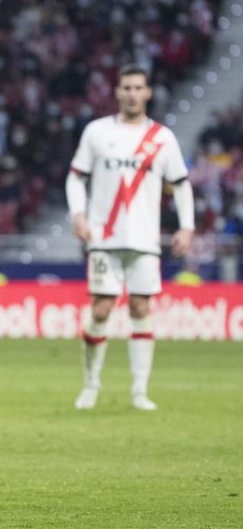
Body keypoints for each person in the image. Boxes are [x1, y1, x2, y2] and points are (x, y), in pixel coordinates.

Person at [66, 64, 195, 411]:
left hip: (145, 239)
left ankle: (140, 390)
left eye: (139, 87)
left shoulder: (162, 138)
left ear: (148, 92)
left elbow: (181, 184)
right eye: (127, 87)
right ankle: (91, 384)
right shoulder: (96, 132)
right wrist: (78, 214)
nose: (133, 93)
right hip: (104, 237)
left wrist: (187, 226)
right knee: (102, 308)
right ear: (117, 92)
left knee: (141, 306)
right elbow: (75, 177)